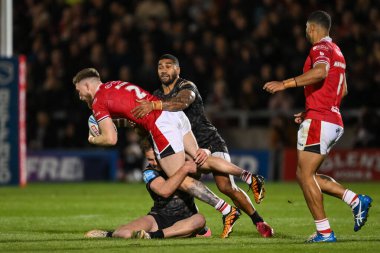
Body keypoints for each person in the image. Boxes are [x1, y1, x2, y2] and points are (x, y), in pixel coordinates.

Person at [73, 67, 265, 238]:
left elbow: (110, 139)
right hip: (174, 115)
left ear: (88, 86)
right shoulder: (115, 85)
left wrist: (93, 139)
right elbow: (129, 111)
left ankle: (225, 210)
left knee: (178, 176)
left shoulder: (99, 101)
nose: (79, 95)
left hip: (161, 125)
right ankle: (248, 176)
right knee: (200, 158)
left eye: (79, 90)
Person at [131, 54, 273, 238]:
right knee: (181, 181)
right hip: (181, 146)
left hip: (207, 141)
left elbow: (181, 103)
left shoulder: (187, 87)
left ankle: (258, 220)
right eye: (160, 67)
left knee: (225, 186)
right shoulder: (156, 95)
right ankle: (204, 225)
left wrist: (155, 106)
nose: (163, 70)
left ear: (178, 70)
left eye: (168, 66)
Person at [263, 10, 372, 243]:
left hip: (321, 119)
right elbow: (342, 90)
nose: (305, 33)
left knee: (304, 175)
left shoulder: (320, 48)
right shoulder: (338, 52)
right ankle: (355, 200)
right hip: (331, 118)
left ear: (311, 28)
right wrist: (311, 108)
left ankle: (325, 232)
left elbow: (320, 72)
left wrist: (285, 83)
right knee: (307, 175)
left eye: (306, 29)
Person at [85, 140, 211, 239]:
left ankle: (153, 236)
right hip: (159, 217)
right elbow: (164, 191)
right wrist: (184, 170)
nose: (154, 163)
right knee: (126, 234)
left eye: (156, 158)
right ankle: (109, 234)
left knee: (199, 219)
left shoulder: (180, 162)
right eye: (150, 159)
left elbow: (207, 166)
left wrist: (206, 151)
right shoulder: (149, 172)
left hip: (187, 218)